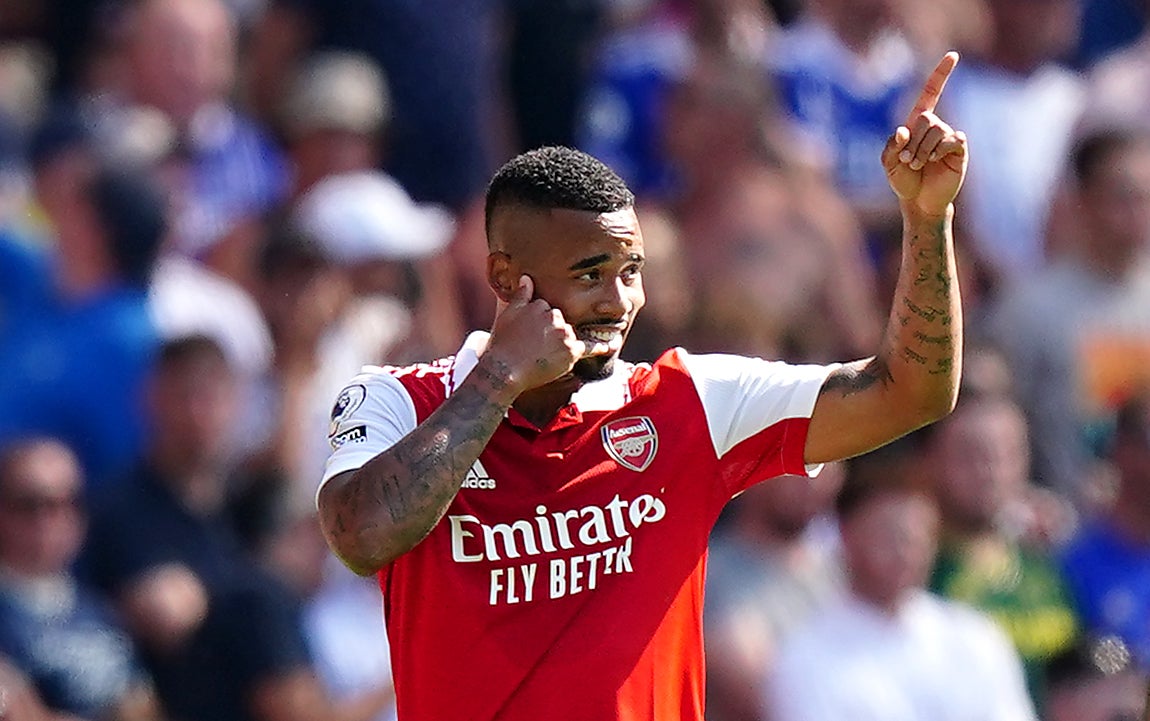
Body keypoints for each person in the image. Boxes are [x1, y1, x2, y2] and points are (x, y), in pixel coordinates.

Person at [317, 52, 969, 720]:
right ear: (507, 276)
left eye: (631, 270)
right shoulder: (395, 400)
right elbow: (362, 536)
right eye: (591, 272)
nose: (619, 300)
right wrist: (499, 377)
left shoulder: (691, 403)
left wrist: (926, 220)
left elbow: (911, 390)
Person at [765, 444, 1037, 721]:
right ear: (846, 537)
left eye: (915, 538)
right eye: (887, 536)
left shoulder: (975, 638)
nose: (903, 552)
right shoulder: (806, 656)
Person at [0, 438, 163, 720]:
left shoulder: (98, 609)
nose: (49, 519)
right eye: (29, 504)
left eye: (67, 503)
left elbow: (141, 705)